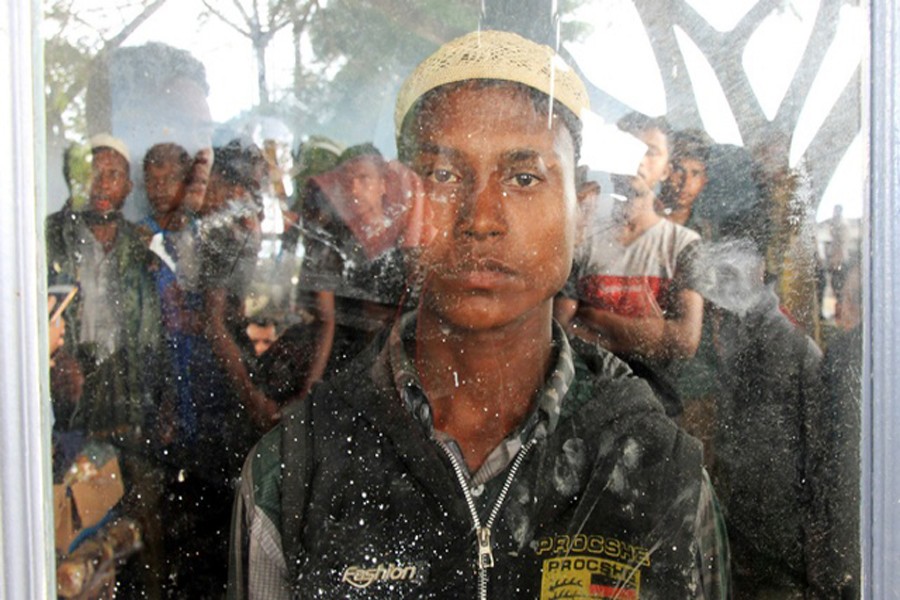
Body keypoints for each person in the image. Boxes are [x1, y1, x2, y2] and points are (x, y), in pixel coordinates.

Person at [229, 30, 728, 599]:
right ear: (406, 205)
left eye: (523, 177)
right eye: (443, 175)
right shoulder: (297, 470)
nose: (481, 217)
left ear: (580, 211)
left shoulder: (655, 467)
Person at [555, 113, 704, 415]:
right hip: (581, 404)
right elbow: (560, 328)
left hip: (656, 410)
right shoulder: (583, 238)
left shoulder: (683, 245)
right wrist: (649, 334)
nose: (638, 158)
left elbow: (684, 341)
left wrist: (595, 316)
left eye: (650, 151)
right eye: (629, 146)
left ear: (666, 169)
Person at [658, 128, 712, 230]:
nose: (686, 183)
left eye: (695, 173)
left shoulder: (707, 232)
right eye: (678, 170)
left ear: (705, 179)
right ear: (665, 171)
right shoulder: (638, 220)